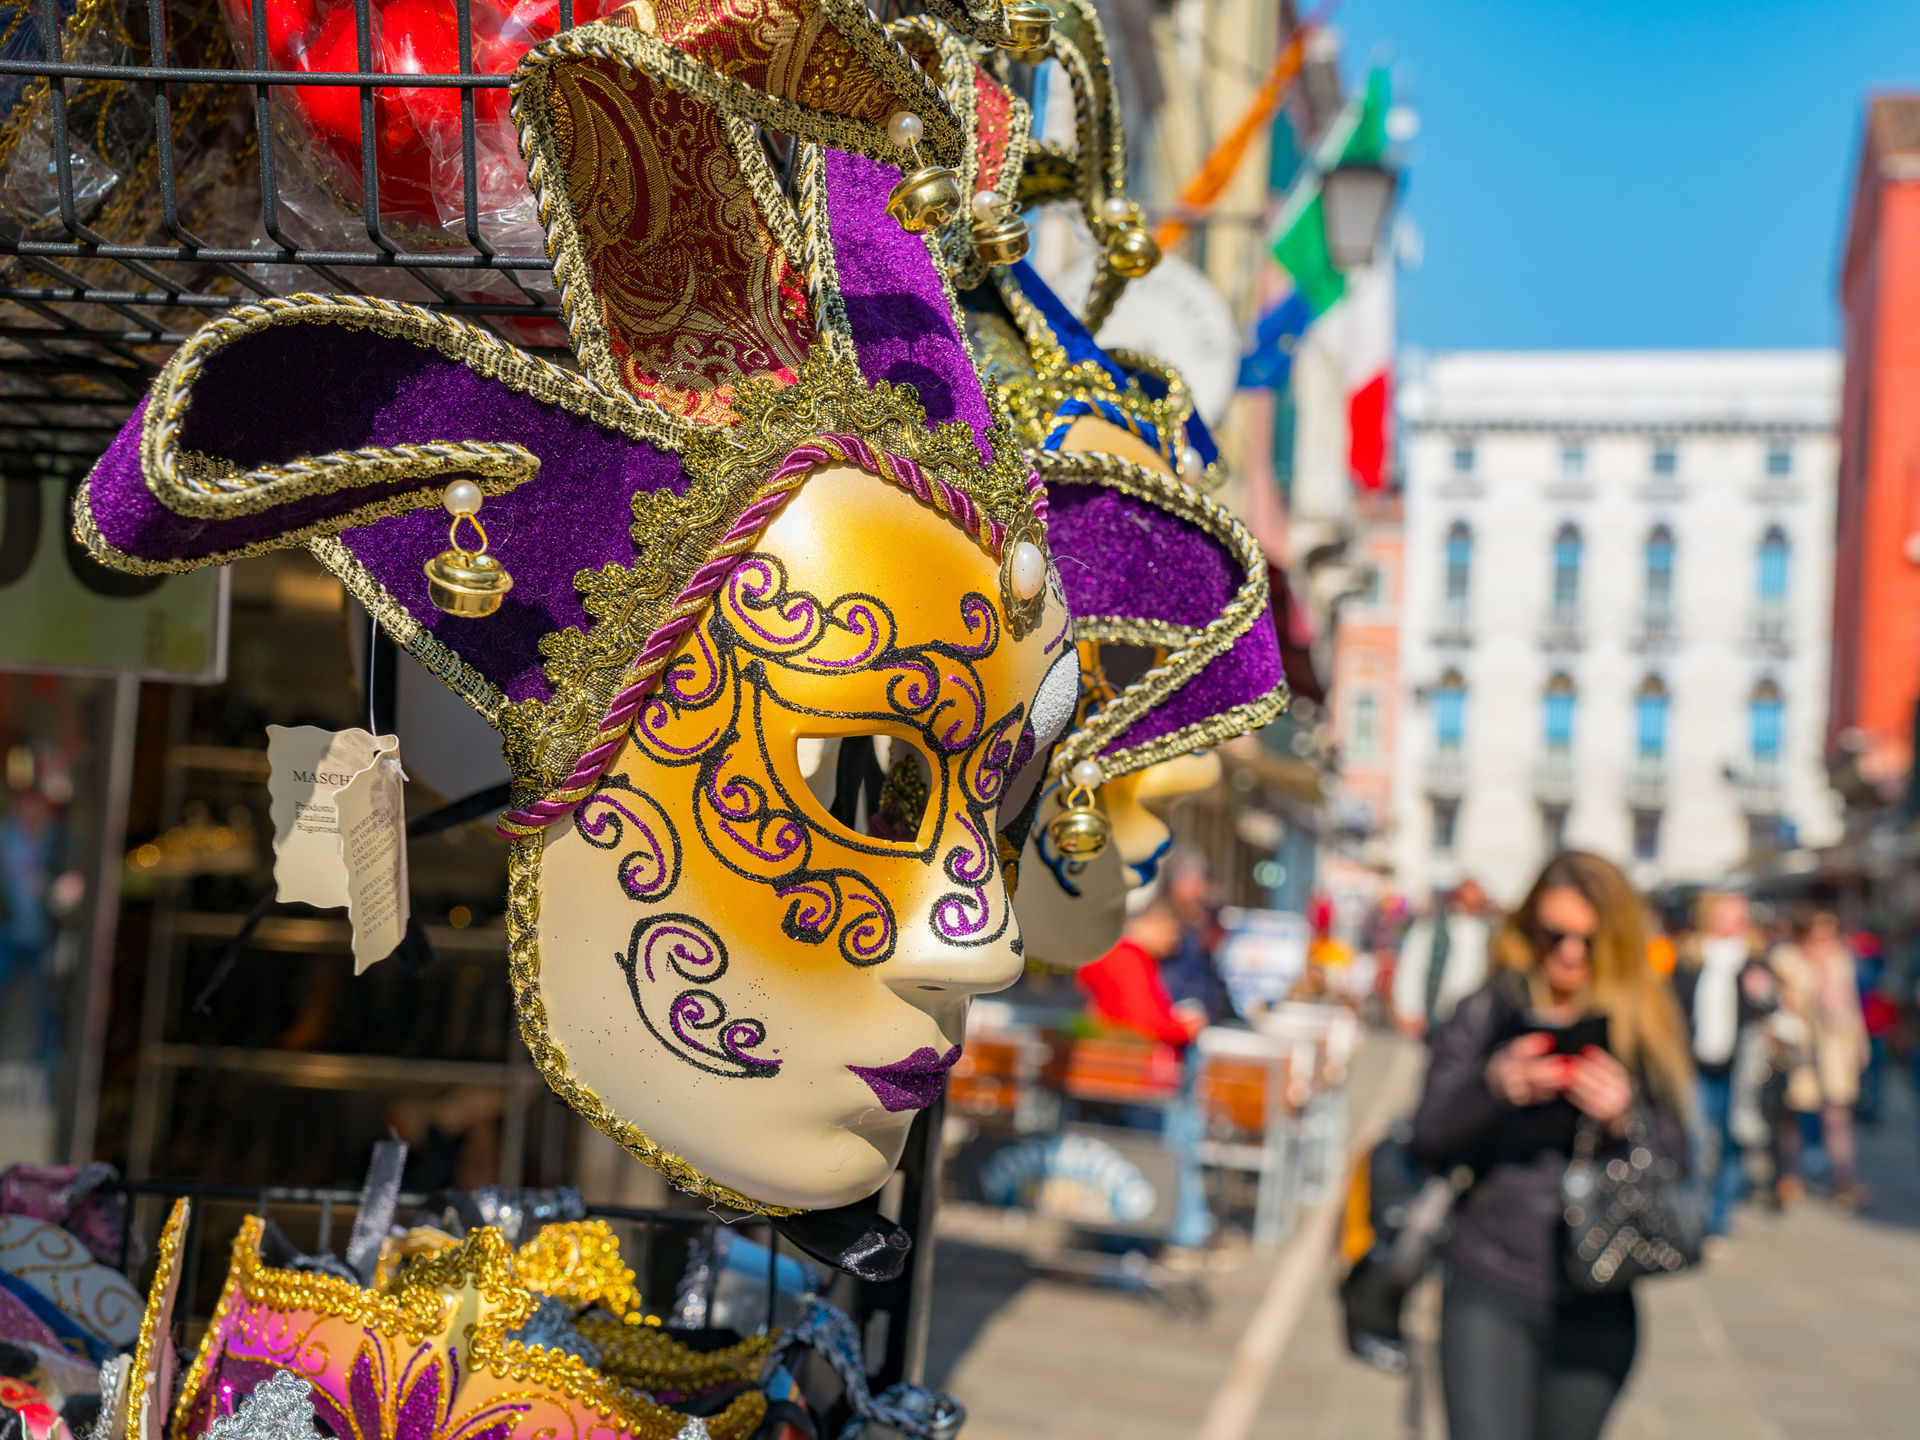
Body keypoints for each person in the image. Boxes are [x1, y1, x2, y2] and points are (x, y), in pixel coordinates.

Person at [1411, 852, 1692, 1440]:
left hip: (1598, 1292)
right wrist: (1493, 1088)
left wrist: (1625, 1119)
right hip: (1490, 1274)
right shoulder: (1489, 1009)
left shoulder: (1645, 1025)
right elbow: (1428, 1136)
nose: (1569, 954)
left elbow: (1679, 1167)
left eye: (1588, 940)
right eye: (1554, 934)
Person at [1671, 892, 1773, 1238]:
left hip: (1740, 1066)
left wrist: (1765, 995)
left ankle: (1718, 1221)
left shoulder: (1753, 958)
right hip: (1695, 1062)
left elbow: (1769, 1009)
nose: (1740, 919)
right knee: (1696, 1141)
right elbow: (1673, 1008)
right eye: (1732, 913)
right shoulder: (1690, 956)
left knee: (1733, 1141)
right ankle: (1689, 1216)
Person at [1770, 910, 1870, 1208]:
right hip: (1799, 1050)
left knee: (1838, 1116)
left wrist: (1860, 1046)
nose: (1824, 943)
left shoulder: (1841, 961)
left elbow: (1850, 1007)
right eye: (1818, 936)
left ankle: (1845, 1180)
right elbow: (1786, 1005)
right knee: (1793, 1114)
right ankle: (1788, 1177)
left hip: (1835, 1050)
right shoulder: (1787, 960)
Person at [1391, 877, 1494, 1037]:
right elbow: (1412, 965)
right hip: (1434, 1016)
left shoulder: (1486, 932)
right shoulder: (1433, 927)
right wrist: (1409, 1008)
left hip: (1469, 1022)